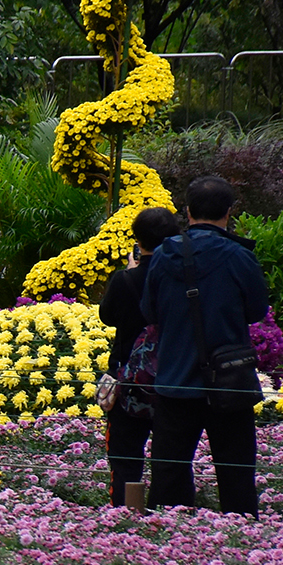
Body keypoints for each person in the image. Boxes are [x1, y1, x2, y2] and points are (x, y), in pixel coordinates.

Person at [141, 175, 269, 516]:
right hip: (229, 384)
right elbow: (257, 311)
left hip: (174, 381)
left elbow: (149, 312)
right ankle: (242, 547)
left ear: (187, 211)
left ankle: (165, 548)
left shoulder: (164, 256)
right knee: (237, 475)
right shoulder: (239, 257)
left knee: (168, 476)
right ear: (229, 213)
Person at [97, 206, 183, 507]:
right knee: (172, 457)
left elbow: (107, 316)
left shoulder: (126, 280)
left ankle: (124, 513)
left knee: (124, 456)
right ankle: (170, 515)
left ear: (137, 239)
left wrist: (131, 275)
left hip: (128, 380)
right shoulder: (183, 277)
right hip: (174, 377)